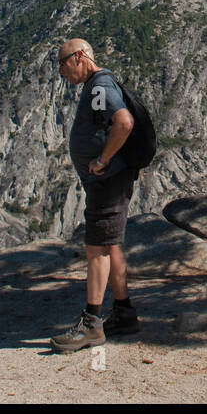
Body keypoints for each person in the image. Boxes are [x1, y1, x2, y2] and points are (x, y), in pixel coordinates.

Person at [50, 38, 142, 352]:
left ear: (79, 57)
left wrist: (102, 160)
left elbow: (124, 123)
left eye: (62, 64)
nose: (61, 72)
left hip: (108, 182)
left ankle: (92, 324)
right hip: (110, 182)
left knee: (97, 249)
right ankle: (124, 314)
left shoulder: (100, 86)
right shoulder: (97, 85)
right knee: (111, 247)